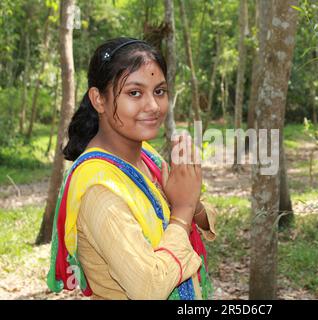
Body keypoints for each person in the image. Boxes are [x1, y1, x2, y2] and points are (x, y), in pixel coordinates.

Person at [47, 37, 216, 300]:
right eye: (134, 93)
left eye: (159, 91)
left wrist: (190, 201)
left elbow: (195, 214)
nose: (152, 106)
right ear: (99, 99)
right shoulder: (98, 188)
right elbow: (148, 288)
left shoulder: (146, 157)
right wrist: (183, 210)